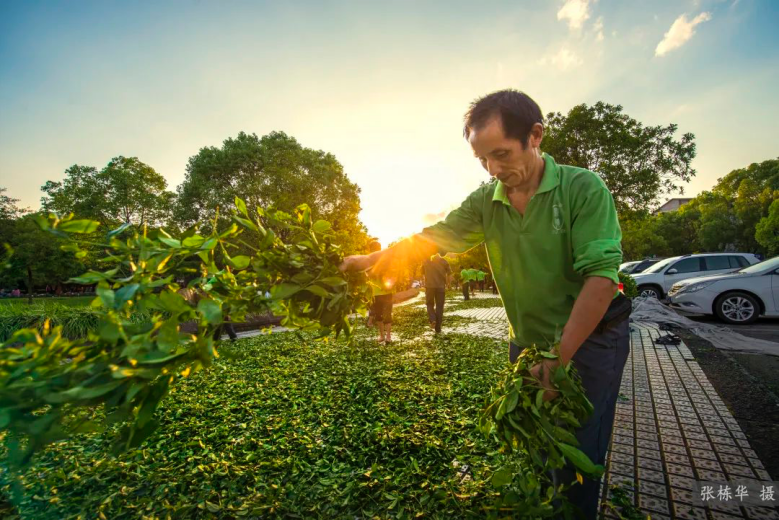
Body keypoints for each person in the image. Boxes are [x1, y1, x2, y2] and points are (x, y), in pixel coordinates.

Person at [341, 89, 629, 520]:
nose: (495, 169)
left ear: (535, 135)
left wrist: (558, 359)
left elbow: (602, 281)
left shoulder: (581, 188)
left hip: (587, 343)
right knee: (534, 441)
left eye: (502, 154)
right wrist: (371, 259)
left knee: (576, 453)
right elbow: (429, 239)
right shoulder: (486, 201)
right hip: (527, 342)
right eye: (483, 161)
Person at [367, 241, 394, 344]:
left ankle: (383, 336)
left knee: (380, 315)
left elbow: (368, 275)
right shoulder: (385, 260)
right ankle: (387, 336)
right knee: (386, 314)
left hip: (377, 292)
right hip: (384, 291)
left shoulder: (370, 261)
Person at [422, 253, 451, 333]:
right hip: (441, 286)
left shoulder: (426, 261)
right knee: (440, 306)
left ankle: (433, 319)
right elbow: (449, 274)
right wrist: (449, 284)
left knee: (429, 304)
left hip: (429, 286)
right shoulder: (444, 261)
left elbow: (422, 273)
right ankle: (438, 328)